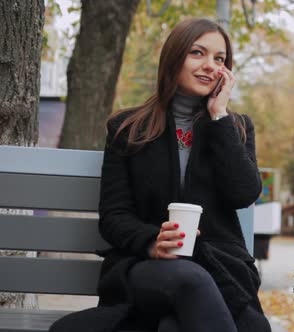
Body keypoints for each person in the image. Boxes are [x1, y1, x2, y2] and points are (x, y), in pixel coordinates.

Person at [50, 18, 270, 332]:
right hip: (146, 266)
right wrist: (153, 241)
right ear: (173, 57)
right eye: (198, 53)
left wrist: (219, 116)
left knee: (173, 327)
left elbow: (243, 194)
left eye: (219, 59)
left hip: (220, 269)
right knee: (189, 279)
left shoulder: (233, 127)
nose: (210, 66)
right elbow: (114, 215)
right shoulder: (128, 128)